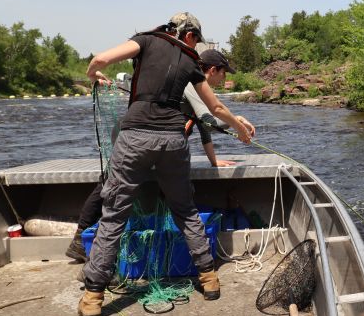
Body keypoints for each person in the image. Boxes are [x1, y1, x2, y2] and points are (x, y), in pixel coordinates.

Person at [77, 12, 253, 316]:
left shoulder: (145, 41)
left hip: (135, 139)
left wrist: (93, 74)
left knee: (115, 211)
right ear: (187, 34)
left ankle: (93, 297)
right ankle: (209, 278)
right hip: (173, 141)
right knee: (184, 209)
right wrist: (238, 126)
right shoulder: (189, 62)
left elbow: (101, 59)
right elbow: (216, 108)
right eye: (196, 38)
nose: (196, 44)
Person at [64, 50, 253, 263]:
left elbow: (201, 125)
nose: (225, 78)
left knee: (127, 184)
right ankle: (84, 243)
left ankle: (86, 242)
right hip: (138, 135)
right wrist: (237, 121)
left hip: (144, 136)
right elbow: (210, 119)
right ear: (212, 70)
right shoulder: (192, 83)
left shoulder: (192, 84)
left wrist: (213, 160)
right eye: (224, 73)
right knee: (112, 186)